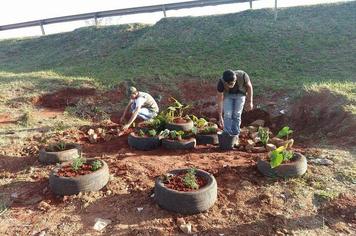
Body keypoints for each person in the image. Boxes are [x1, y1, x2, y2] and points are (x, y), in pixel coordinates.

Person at [217, 69, 254, 140]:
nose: (231, 85)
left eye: (232, 83)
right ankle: (227, 134)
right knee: (227, 114)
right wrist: (220, 116)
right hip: (228, 95)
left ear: (235, 79)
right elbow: (220, 100)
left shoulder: (243, 75)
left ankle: (235, 135)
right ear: (225, 82)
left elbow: (249, 87)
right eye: (229, 84)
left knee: (236, 114)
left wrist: (250, 102)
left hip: (240, 94)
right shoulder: (221, 82)